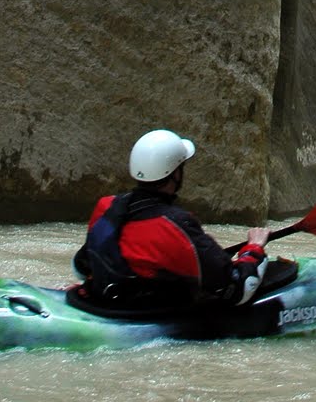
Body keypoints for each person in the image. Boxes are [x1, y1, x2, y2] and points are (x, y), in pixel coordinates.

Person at [73, 128, 270, 310]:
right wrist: (254, 248)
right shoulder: (177, 225)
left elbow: (81, 266)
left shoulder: (106, 206)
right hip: (141, 311)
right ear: (175, 173)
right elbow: (237, 288)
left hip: (102, 300)